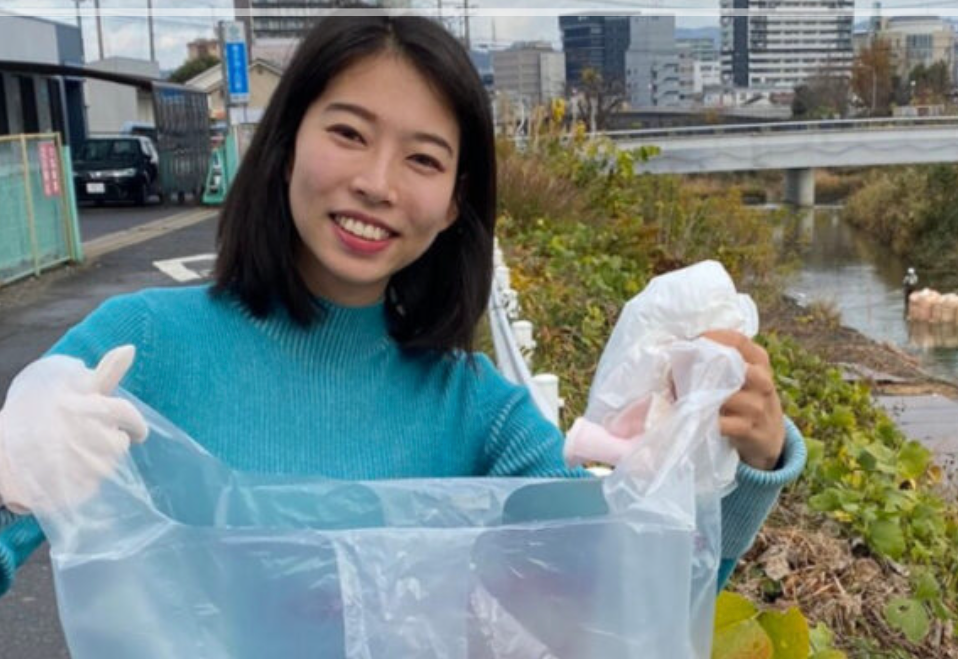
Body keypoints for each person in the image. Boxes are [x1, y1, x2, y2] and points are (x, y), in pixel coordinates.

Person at [0, 15, 804, 598]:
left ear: (455, 203)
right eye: (348, 134)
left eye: (423, 158)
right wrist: (10, 476)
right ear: (285, 146)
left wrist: (734, 458)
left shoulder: (478, 409)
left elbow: (628, 597)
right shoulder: (140, 350)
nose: (378, 184)